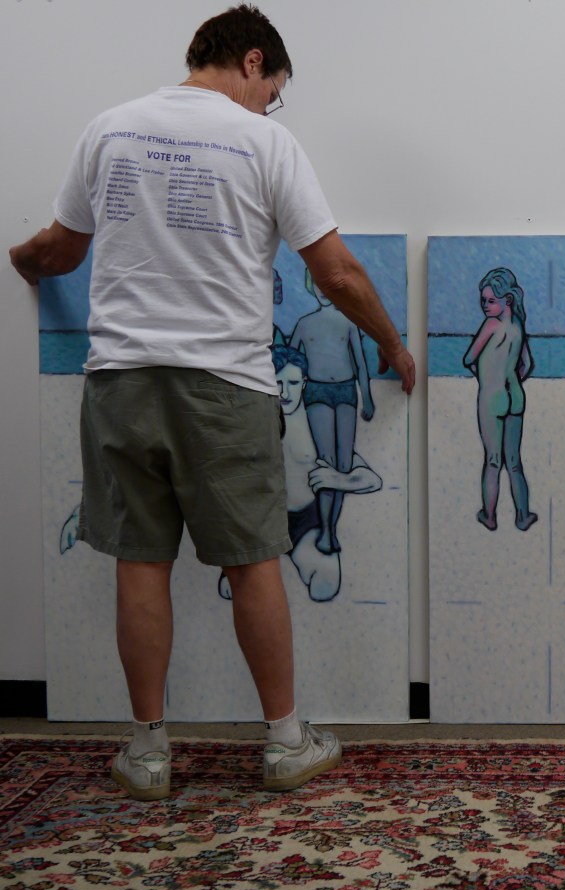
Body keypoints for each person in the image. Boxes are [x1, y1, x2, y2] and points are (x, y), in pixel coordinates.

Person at [9, 5, 416, 801]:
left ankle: (148, 752)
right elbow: (336, 273)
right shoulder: (264, 142)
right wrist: (392, 345)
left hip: (122, 380)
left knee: (141, 560)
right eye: (274, 91)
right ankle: (286, 742)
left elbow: (59, 249)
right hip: (226, 383)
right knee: (253, 558)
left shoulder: (110, 129)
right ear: (253, 61)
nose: (270, 107)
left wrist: (20, 262)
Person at [217, 345, 383, 603]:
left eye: (292, 383)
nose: (285, 393)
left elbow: (372, 480)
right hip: (262, 521)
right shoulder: (253, 420)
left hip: (307, 521)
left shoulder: (317, 425)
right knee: (231, 591)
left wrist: (339, 479)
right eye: (278, 383)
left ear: (304, 383)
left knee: (324, 587)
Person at [289, 268, 376, 555]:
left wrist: (368, 398)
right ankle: (326, 530)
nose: (323, 290)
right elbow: (291, 361)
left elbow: (360, 363)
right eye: (318, 283)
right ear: (310, 286)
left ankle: (332, 528)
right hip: (317, 393)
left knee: (343, 464)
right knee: (326, 463)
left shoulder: (349, 322)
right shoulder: (304, 324)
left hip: (346, 391)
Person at [463, 267, 537, 531]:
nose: (485, 305)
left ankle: (490, 516)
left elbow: (468, 358)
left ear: (507, 299)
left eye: (490, 301)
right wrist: (510, 376)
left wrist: (486, 376)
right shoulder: (518, 325)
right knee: (514, 463)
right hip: (515, 395)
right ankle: (523, 516)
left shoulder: (491, 325)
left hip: (492, 397)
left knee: (493, 460)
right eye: (483, 300)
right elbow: (527, 364)